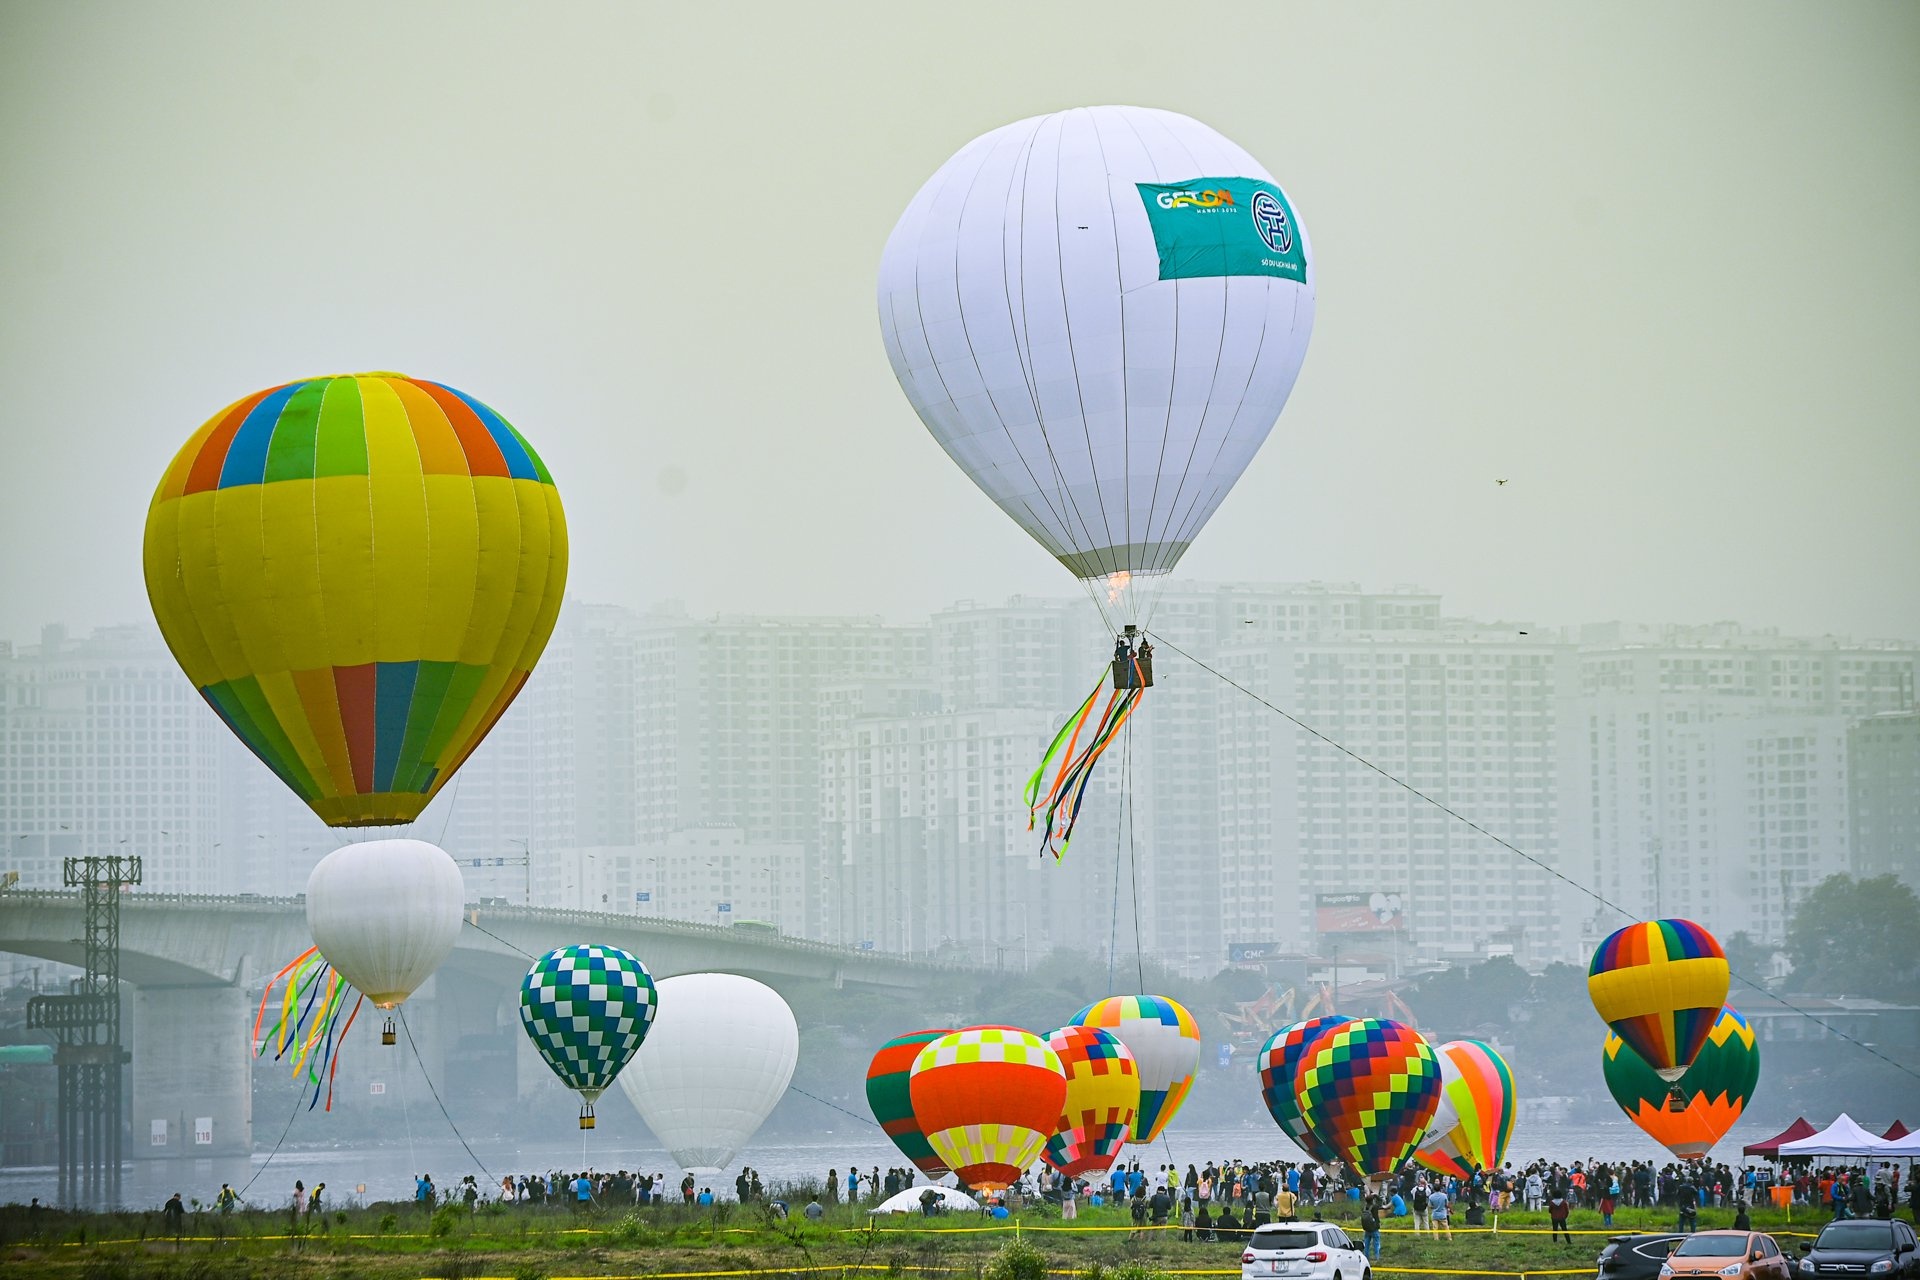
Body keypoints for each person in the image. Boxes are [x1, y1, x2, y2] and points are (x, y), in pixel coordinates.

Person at [1361, 1195, 1383, 1260]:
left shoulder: (1364, 1208)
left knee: (1366, 1245)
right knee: (1376, 1244)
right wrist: (1376, 1195)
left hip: (1367, 1229)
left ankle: (1366, 1258)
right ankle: (1377, 1257)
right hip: (1374, 1228)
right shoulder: (1375, 1207)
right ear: (1372, 1200)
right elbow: (1380, 1201)